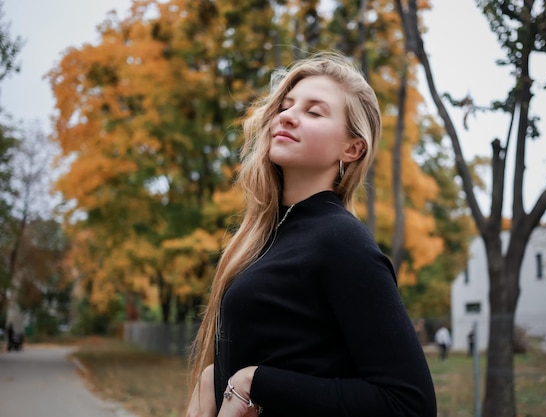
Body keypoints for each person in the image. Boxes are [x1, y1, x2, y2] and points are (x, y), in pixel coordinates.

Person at [186, 52, 437, 417]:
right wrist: (214, 377)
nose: (287, 116)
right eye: (286, 106)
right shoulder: (266, 237)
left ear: (352, 149)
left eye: (313, 112)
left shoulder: (342, 241)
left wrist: (252, 382)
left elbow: (409, 405)